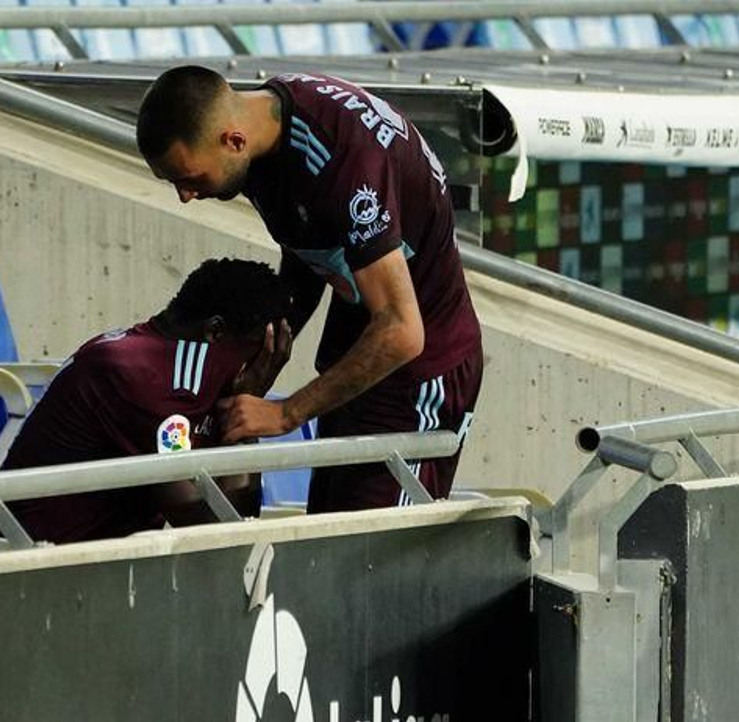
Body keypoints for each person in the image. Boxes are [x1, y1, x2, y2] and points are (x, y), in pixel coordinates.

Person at [136, 66, 484, 512]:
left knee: (374, 549)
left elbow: (402, 330)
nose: (185, 196)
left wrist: (287, 412)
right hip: (355, 354)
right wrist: (262, 356)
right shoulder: (259, 141)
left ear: (233, 141)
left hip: (419, 374)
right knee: (328, 535)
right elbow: (308, 249)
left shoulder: (344, 163)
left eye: (190, 179)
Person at [0, 258, 293, 544]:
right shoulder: (142, 376)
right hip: (25, 559)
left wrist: (245, 413)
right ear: (215, 331)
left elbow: (238, 524)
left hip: (89, 557)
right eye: (259, 354)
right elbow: (216, 531)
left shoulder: (167, 364)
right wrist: (246, 411)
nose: (259, 370)